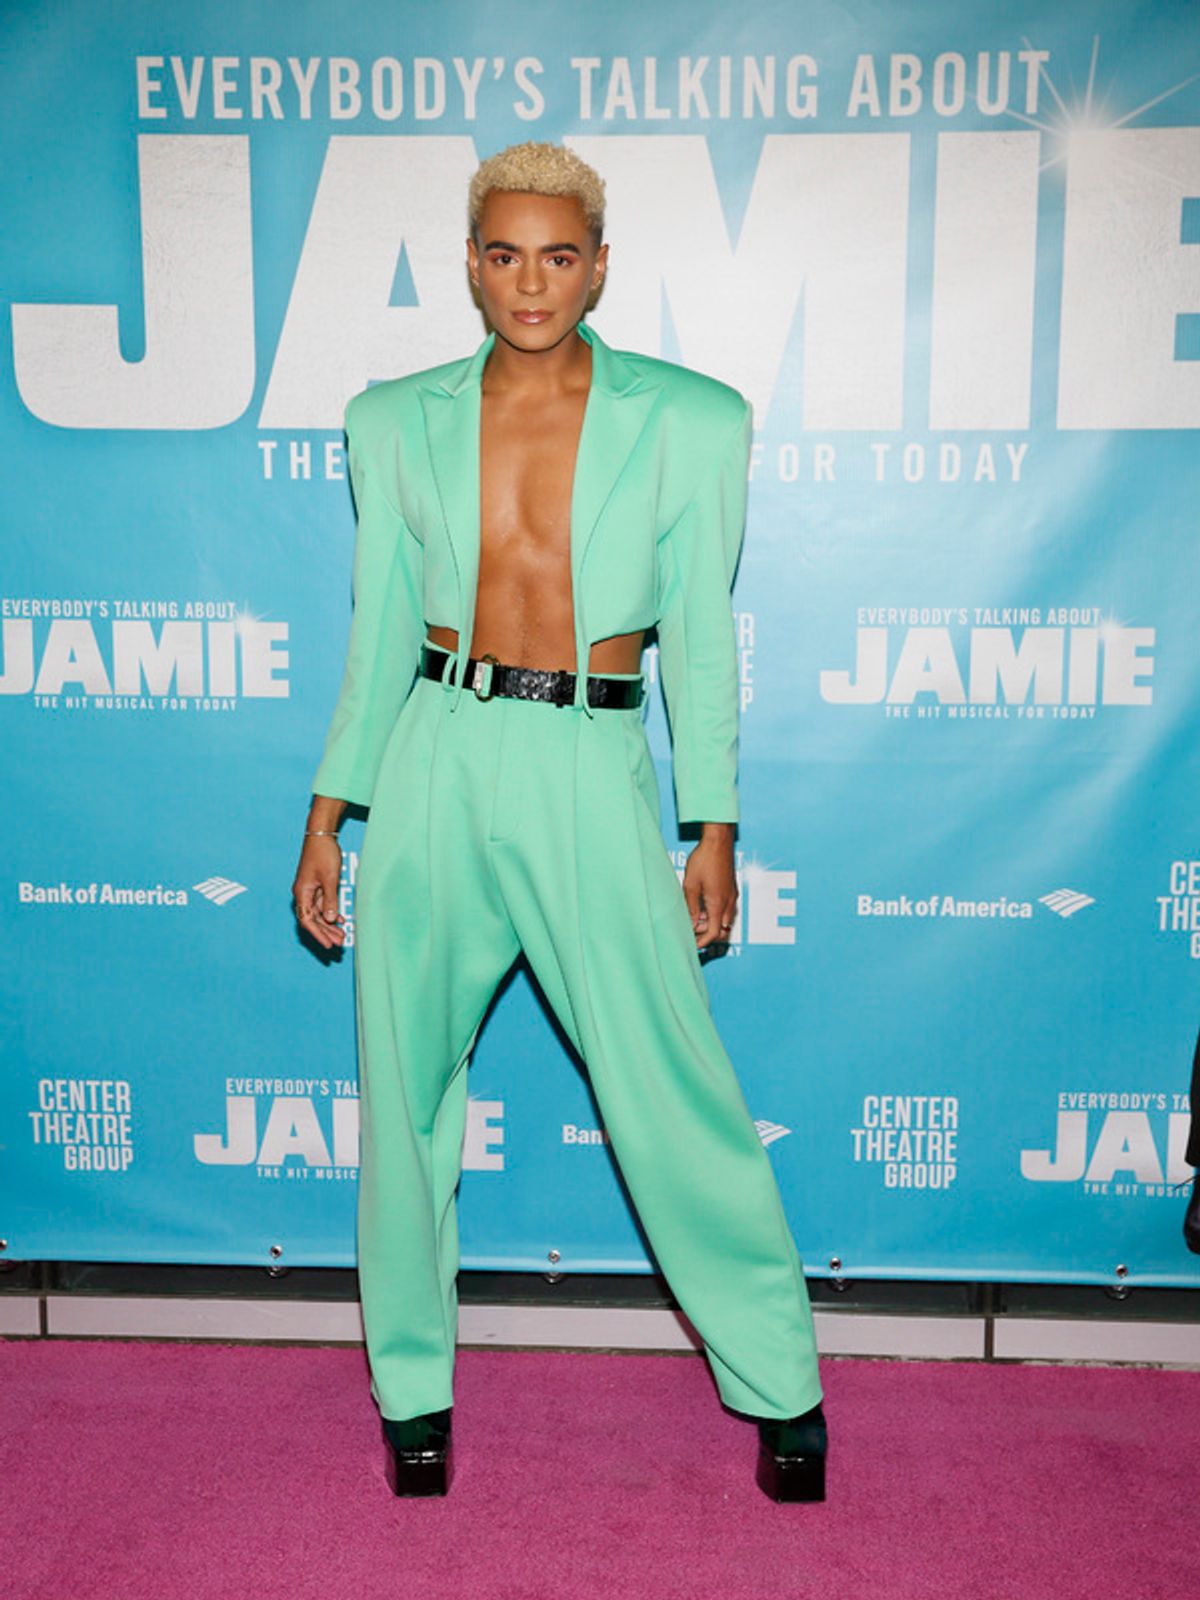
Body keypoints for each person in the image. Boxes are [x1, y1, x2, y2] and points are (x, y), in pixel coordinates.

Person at [291, 140, 826, 1502]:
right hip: (435, 755)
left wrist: (714, 821)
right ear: (472, 264)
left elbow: (702, 641)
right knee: (404, 1093)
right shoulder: (388, 418)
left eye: (559, 253)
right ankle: (413, 1394)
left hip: (593, 759)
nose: (532, 280)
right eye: (504, 253)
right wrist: (329, 813)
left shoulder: (695, 421)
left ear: (600, 263)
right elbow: (374, 642)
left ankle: (782, 1384)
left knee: (670, 1085)